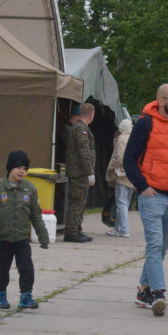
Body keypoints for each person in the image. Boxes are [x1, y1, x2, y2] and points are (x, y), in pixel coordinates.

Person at [123, 84, 168, 317]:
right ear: (161, 101)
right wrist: (143, 187)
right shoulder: (144, 124)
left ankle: (143, 290)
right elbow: (129, 159)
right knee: (154, 244)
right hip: (152, 196)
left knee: (161, 247)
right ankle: (158, 293)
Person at [0, 150, 49, 310]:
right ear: (10, 168)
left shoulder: (29, 188)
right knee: (2, 270)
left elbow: (36, 215)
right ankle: (0, 295)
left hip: (21, 239)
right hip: (3, 239)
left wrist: (43, 236)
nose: (22, 171)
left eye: (25, 168)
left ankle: (26, 296)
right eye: (18, 167)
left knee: (27, 268)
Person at [64, 103, 96, 243]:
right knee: (77, 203)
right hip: (79, 173)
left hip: (79, 172)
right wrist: (90, 172)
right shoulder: (81, 130)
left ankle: (77, 230)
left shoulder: (77, 127)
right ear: (91, 115)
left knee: (80, 202)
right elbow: (84, 152)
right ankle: (71, 232)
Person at [105, 118, 133, 237]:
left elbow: (120, 158)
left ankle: (124, 230)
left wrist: (112, 168)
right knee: (124, 204)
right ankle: (117, 228)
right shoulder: (134, 138)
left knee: (120, 203)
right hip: (132, 175)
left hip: (122, 174)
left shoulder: (122, 139)